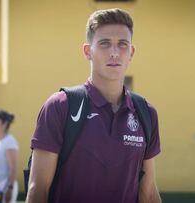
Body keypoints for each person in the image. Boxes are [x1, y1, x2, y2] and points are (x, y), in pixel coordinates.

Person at [26, 8, 161, 203]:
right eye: (105, 43)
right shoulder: (60, 106)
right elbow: (38, 190)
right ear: (88, 51)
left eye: (122, 44)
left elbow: (148, 193)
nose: (114, 53)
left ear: (131, 52)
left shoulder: (146, 113)